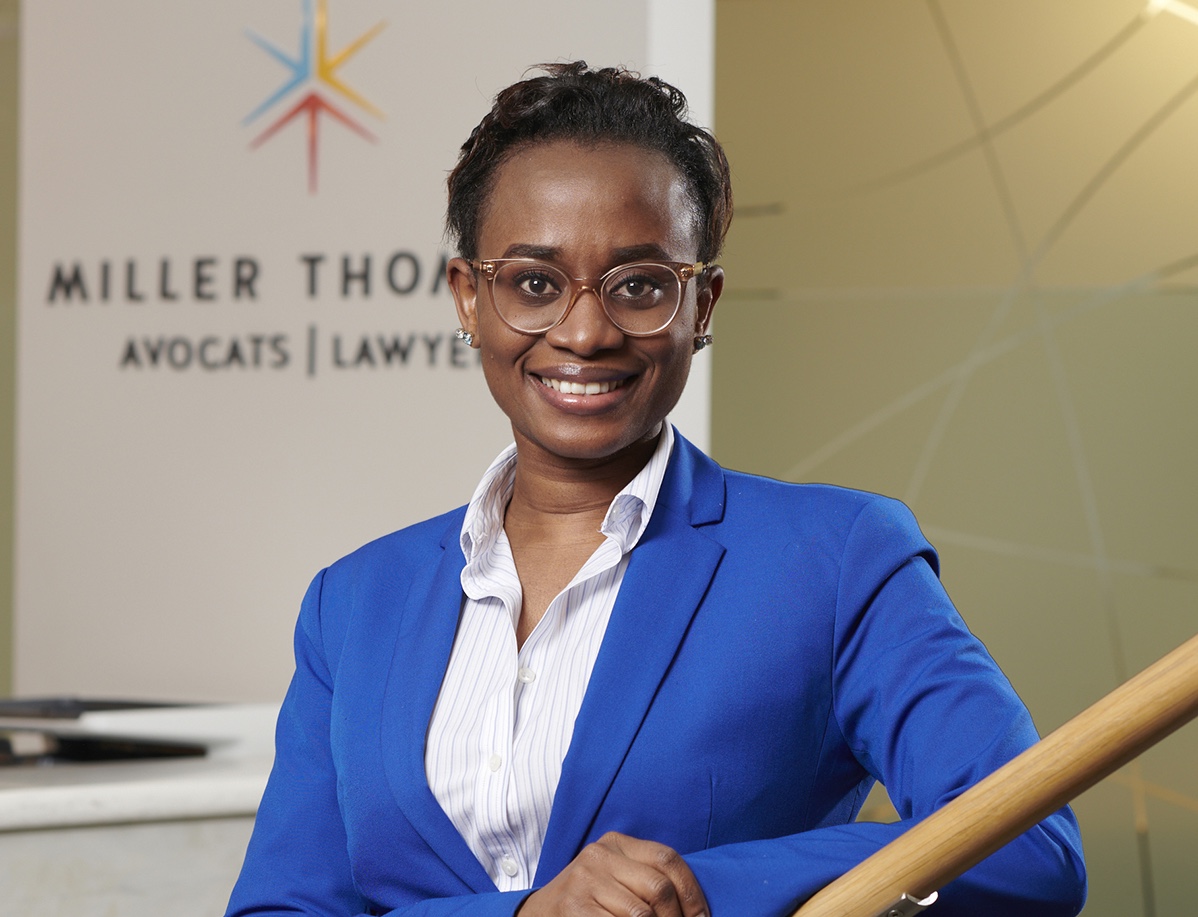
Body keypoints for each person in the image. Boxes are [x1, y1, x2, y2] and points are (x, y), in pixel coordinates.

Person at [226, 62, 1086, 917]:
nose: (585, 331)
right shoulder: (354, 605)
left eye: (639, 286)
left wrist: (706, 888)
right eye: (534, 283)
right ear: (469, 299)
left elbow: (1030, 843)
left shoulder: (834, 560)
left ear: (701, 304)